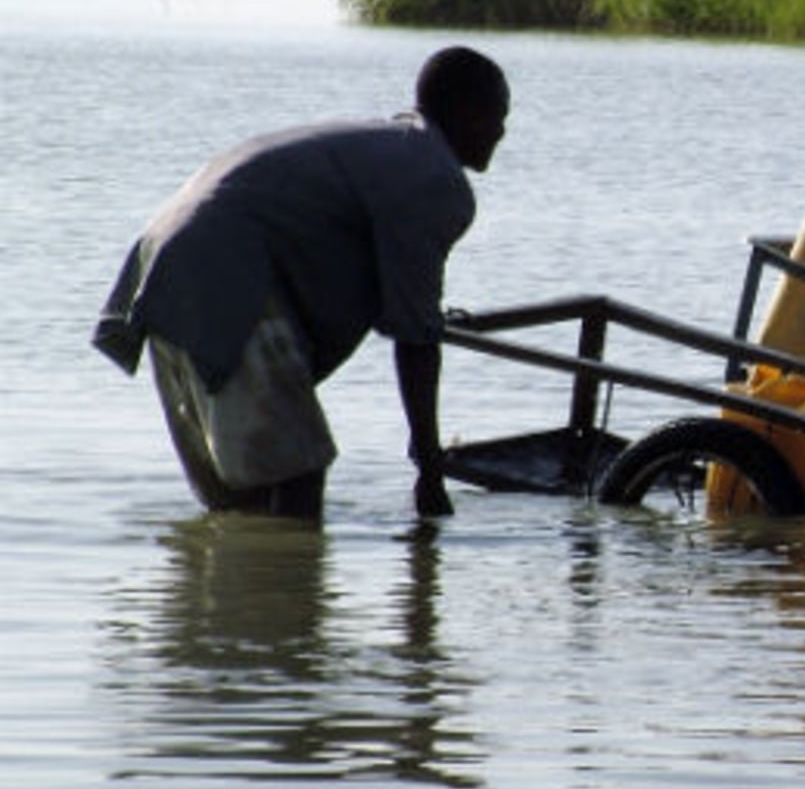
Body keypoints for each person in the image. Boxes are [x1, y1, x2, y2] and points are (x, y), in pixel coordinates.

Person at [93, 46, 511, 520]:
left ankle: (255, 588)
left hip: (164, 270)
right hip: (224, 273)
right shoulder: (433, 177)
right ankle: (289, 590)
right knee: (295, 472)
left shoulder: (389, 148)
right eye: (496, 116)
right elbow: (414, 337)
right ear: (466, 114)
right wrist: (430, 469)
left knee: (243, 501)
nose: (501, 131)